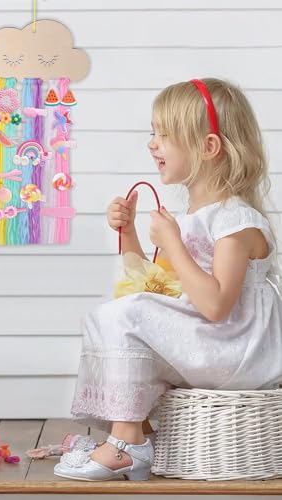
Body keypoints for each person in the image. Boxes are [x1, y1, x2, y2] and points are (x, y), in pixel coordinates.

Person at [54, 78, 282, 481]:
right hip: (214, 341)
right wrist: (128, 233)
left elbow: (216, 305)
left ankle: (127, 444)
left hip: (239, 350)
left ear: (208, 147)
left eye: (164, 135)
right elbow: (156, 287)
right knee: (111, 316)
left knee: (126, 315)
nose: (152, 144)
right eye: (153, 133)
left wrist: (174, 244)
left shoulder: (236, 221)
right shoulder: (194, 217)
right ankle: (136, 432)